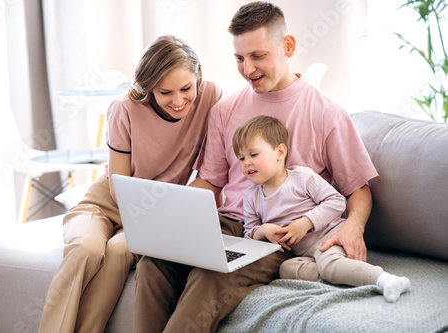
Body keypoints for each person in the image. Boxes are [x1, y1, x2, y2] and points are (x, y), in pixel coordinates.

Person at [133, 2, 378, 332]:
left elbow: (358, 189)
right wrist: (171, 218)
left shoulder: (325, 113)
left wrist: (353, 227)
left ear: (287, 46)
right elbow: (209, 182)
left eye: (258, 56)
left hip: (275, 237)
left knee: (212, 275)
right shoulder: (225, 109)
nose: (247, 69)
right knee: (153, 264)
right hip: (224, 223)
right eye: (239, 58)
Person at [37, 35, 221, 333]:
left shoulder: (211, 96)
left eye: (186, 88)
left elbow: (213, 172)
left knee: (120, 251)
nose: (178, 101)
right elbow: (117, 187)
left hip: (154, 211)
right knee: (86, 248)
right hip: (108, 202)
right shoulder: (124, 109)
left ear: (198, 78)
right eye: (165, 92)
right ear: (149, 88)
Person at [233, 115, 410, 303]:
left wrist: (305, 223)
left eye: (253, 155)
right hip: (303, 253)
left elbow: (336, 201)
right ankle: (343, 272)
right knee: (285, 269)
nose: (246, 163)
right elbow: (249, 235)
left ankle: (384, 279)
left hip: (329, 237)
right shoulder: (251, 196)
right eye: (241, 158)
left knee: (328, 265)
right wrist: (263, 230)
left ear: (280, 152)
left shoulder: (302, 178)